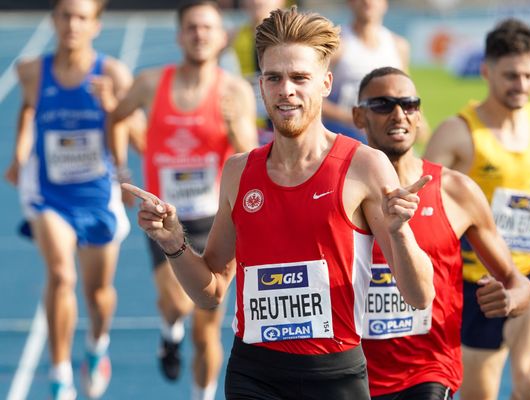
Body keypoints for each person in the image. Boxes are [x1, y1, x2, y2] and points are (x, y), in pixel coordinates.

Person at [123, 6, 435, 399]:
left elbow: (420, 296)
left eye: (300, 78)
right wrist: (173, 243)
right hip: (255, 374)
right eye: (274, 77)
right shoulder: (239, 171)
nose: (286, 89)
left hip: (334, 374)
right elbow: (211, 291)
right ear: (261, 85)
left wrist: (400, 232)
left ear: (325, 83)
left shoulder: (364, 167)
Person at [424, 18, 530, 400]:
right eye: (510, 76)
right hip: (480, 284)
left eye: (529, 75)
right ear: (486, 71)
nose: (521, 85)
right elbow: (422, 192)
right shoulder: (459, 132)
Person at [352, 66, 530, 399]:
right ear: (358, 116)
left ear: (419, 116)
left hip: (428, 371)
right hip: (349, 373)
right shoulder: (337, 192)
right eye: (382, 104)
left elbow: (516, 280)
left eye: (409, 104)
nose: (398, 115)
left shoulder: (456, 191)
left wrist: (509, 300)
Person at [109, 1, 257, 399]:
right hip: (163, 217)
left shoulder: (234, 91)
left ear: (221, 36)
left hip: (215, 218)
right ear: (179, 35)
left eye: (208, 27)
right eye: (192, 27)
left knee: (208, 316)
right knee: (175, 301)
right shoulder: (150, 83)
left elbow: (251, 158)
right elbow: (115, 117)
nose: (199, 34)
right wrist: (121, 174)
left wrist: (232, 127)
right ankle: (170, 330)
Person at [3, 0, 137, 399]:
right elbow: (27, 110)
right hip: (50, 194)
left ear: (95, 26)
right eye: (65, 16)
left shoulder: (112, 73)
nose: (72, 25)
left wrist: (113, 107)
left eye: (82, 18)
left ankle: (97, 347)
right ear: (53, 21)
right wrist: (19, 154)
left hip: (98, 196)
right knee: (61, 275)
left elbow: (142, 136)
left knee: (98, 295)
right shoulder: (30, 72)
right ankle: (60, 372)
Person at [322, 0, 410, 143]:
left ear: (385, 3)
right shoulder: (336, 45)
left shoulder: (399, 45)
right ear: (349, 3)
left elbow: (407, 92)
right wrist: (355, 118)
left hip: (388, 136)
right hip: (344, 137)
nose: (368, 1)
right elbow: (314, 98)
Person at [229, 0, 285, 145]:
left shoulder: (296, 36)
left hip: (286, 119)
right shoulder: (234, 36)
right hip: (253, 124)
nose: (256, 1)